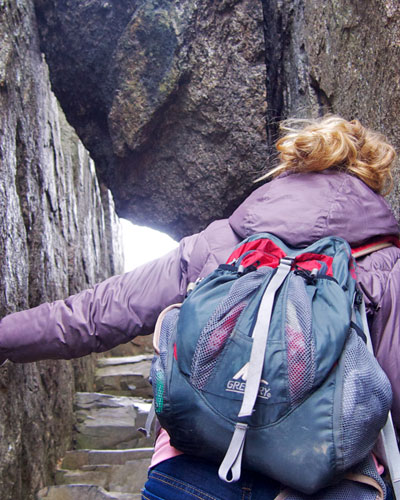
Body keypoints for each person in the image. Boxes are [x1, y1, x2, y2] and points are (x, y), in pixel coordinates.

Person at [0, 115, 399, 499]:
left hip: (190, 471)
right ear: (371, 182)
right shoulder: (386, 269)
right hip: (333, 483)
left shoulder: (219, 243)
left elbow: (93, 314)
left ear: (291, 165)